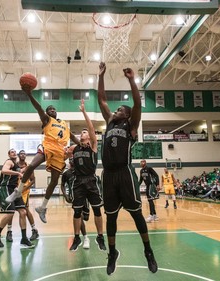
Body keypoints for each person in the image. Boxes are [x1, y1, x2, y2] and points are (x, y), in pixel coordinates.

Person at [97, 62, 158, 275]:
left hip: (124, 173)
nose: (116, 109)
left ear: (128, 115)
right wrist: (101, 76)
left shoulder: (131, 127)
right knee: (111, 217)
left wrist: (132, 80)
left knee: (136, 215)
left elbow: (137, 103)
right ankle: (112, 253)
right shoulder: (110, 122)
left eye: (120, 109)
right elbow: (102, 99)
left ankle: (148, 251)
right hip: (108, 175)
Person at [5, 83, 80, 224]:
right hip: (47, 146)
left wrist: (81, 144)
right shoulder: (47, 120)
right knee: (31, 166)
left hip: (59, 152)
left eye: (54, 109)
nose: (52, 110)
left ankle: (43, 207)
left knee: (54, 181)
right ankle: (18, 191)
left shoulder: (64, 124)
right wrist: (29, 94)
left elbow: (73, 138)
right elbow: (39, 108)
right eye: (49, 109)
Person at [66, 99, 106, 252]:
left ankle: (100, 237)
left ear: (89, 136)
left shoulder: (93, 146)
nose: (83, 133)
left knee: (97, 210)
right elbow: (63, 154)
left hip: (91, 180)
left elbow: (90, 128)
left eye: (85, 132)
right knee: (77, 211)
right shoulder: (74, 148)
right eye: (81, 132)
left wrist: (83, 112)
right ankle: (77, 238)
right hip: (78, 181)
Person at [0, 149, 34, 249]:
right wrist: (18, 174)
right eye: (12, 152)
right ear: (9, 155)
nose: (14, 153)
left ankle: (24, 239)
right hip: (5, 188)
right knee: (10, 212)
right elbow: (4, 170)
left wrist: (31, 165)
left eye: (15, 151)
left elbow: (22, 170)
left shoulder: (17, 166)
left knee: (23, 212)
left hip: (14, 190)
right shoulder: (9, 162)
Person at [5, 150, 40, 243]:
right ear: (18, 155)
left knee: (25, 211)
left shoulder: (29, 167)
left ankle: (34, 230)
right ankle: (9, 231)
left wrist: (24, 189)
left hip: (24, 192)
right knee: (11, 211)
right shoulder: (14, 165)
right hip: (14, 190)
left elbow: (33, 180)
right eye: (21, 153)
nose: (23, 155)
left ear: (26, 155)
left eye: (24, 153)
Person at [60, 158, 90, 250]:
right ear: (69, 162)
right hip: (75, 198)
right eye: (70, 160)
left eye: (74, 159)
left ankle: (82, 235)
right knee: (79, 215)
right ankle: (85, 238)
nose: (72, 161)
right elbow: (62, 184)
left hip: (85, 197)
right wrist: (65, 195)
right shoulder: (66, 174)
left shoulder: (82, 170)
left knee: (84, 218)